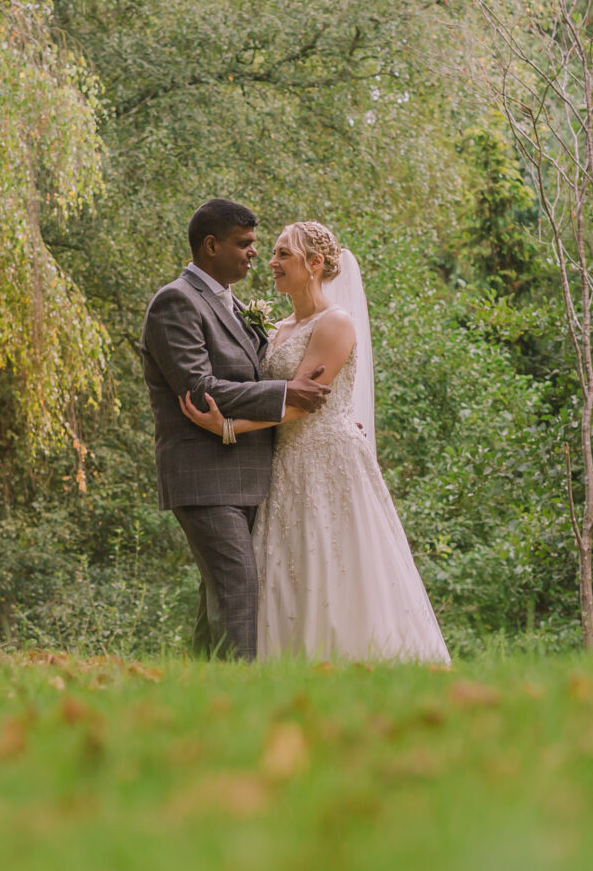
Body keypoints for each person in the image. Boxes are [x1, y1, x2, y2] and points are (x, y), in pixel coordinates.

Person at [180, 221, 449, 664]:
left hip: (329, 457)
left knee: (335, 566)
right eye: (274, 252)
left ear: (315, 263)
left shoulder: (335, 323)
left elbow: (303, 402)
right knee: (284, 571)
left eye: (283, 254)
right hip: (284, 462)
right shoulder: (275, 326)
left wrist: (226, 427)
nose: (271, 262)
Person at [138, 199, 333, 659]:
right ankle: (236, 703)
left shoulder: (238, 306)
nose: (254, 254)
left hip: (248, 474)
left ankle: (198, 698)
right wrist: (285, 393)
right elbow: (198, 387)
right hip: (204, 475)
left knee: (220, 602)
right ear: (211, 245)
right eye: (243, 244)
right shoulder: (175, 302)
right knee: (238, 589)